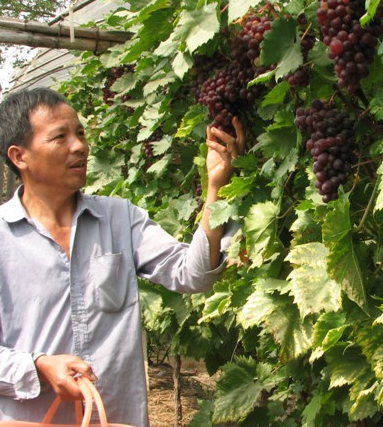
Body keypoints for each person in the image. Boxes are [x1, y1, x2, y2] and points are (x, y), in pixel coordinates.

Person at [0, 87, 244, 426]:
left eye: (80, 133)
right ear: (19, 156)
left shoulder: (121, 219)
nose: (80, 146)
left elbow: (195, 274)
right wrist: (39, 366)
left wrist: (216, 187)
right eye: (60, 137)